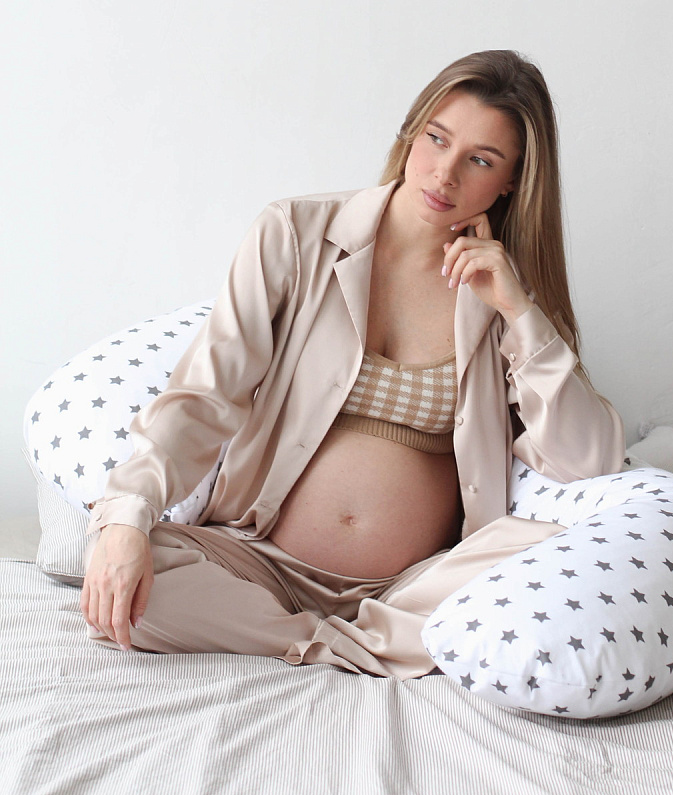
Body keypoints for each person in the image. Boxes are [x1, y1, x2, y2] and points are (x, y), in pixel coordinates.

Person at [80, 50, 625, 678]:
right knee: (129, 574)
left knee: (553, 556)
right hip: (260, 566)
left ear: (512, 181)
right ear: (411, 132)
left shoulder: (507, 290)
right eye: (436, 139)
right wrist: (127, 519)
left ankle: (326, 637)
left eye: (480, 160)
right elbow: (205, 396)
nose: (444, 174)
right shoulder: (294, 233)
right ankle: (354, 647)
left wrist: (520, 313)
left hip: (417, 587)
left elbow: (588, 460)